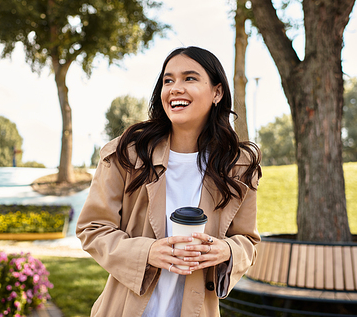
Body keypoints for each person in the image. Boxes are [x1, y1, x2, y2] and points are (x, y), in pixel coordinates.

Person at [76, 46, 261, 317]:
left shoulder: (238, 165)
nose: (175, 88)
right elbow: (92, 228)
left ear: (217, 93)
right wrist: (147, 252)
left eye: (190, 78)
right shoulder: (126, 153)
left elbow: (247, 241)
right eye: (168, 80)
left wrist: (226, 250)